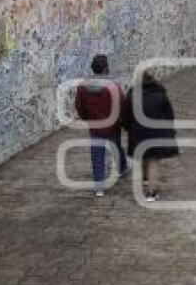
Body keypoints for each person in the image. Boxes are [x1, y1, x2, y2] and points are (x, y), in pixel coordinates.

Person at [74, 54, 128, 197]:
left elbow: (80, 106)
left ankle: (99, 187)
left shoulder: (82, 87)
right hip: (112, 124)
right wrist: (122, 120)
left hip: (95, 125)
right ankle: (122, 168)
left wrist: (87, 118)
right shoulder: (113, 87)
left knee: (97, 154)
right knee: (116, 146)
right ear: (106, 69)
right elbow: (121, 105)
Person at [122, 70, 179, 202]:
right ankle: (151, 192)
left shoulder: (132, 94)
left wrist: (128, 127)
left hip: (139, 132)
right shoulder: (161, 94)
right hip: (157, 133)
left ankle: (146, 179)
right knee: (153, 160)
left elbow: (126, 115)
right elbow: (169, 115)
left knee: (143, 156)